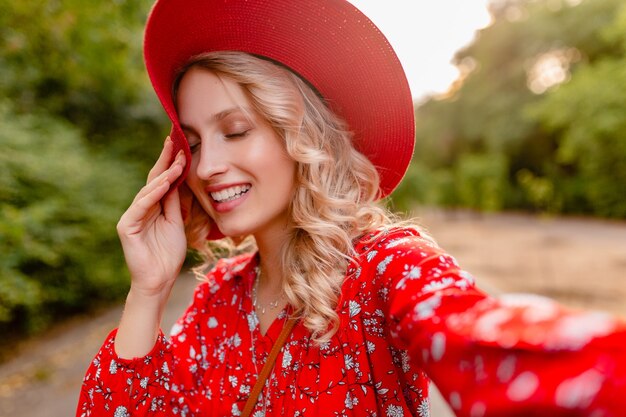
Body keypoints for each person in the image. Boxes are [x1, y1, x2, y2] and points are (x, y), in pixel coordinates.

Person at [76, 0, 626, 416]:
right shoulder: (218, 297)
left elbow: (485, 338)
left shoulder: (387, 266)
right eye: (193, 142)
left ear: (302, 136)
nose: (208, 165)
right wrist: (146, 291)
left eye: (236, 130)